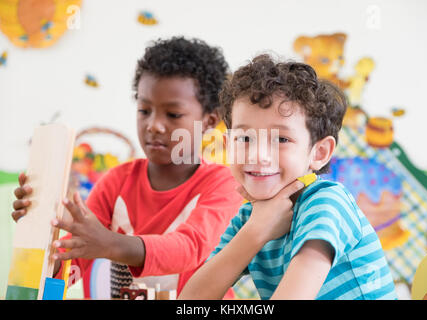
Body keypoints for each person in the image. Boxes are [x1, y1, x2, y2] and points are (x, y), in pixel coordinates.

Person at [11, 36, 243, 299]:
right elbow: (71, 262)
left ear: (209, 120)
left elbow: (191, 248)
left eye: (173, 114)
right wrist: (38, 229)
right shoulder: (116, 182)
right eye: (145, 110)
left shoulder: (224, 185)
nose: (154, 125)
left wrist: (109, 244)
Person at [179, 54, 397, 300]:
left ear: (320, 152)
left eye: (281, 139)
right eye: (244, 138)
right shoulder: (250, 219)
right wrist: (256, 231)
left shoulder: (326, 202)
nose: (258, 155)